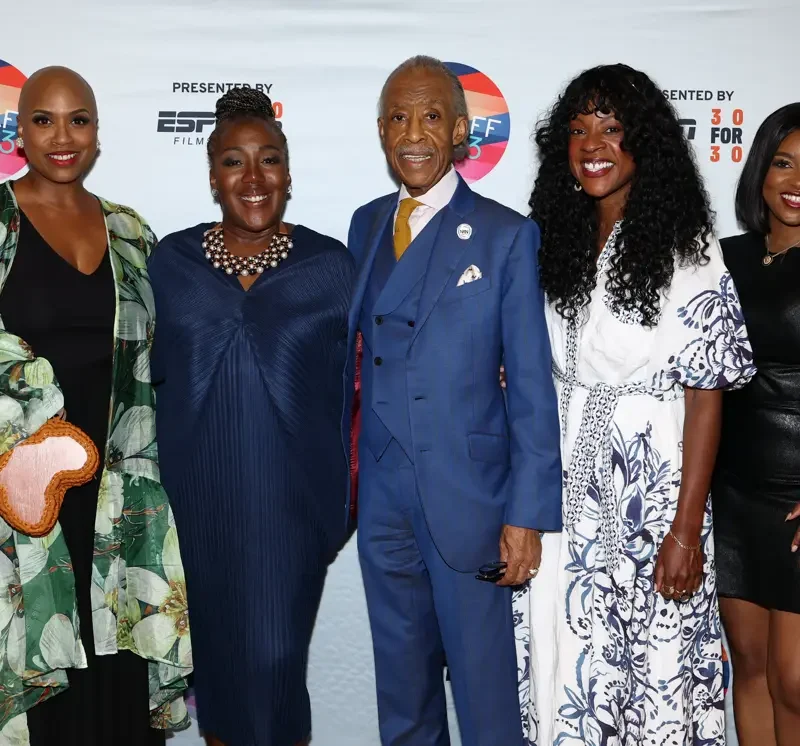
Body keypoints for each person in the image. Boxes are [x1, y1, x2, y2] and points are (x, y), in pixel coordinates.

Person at [525, 63, 756, 746]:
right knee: (567, 655)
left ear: (644, 142)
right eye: (578, 130)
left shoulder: (688, 250)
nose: (592, 144)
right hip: (562, 493)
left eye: (611, 128)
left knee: (650, 669)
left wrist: (685, 531)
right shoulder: (554, 240)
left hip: (650, 499)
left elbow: (706, 397)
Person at [345, 55, 562, 746]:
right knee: (403, 695)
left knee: (485, 698)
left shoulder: (505, 235)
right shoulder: (365, 224)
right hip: (383, 499)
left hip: (470, 499)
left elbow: (530, 384)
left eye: (432, 116)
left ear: (462, 130)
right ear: (382, 131)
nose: (414, 134)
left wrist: (527, 515)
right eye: (399, 118)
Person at [148, 87, 354, 746]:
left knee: (275, 665)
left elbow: (370, 377)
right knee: (218, 675)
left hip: (291, 511)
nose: (253, 177)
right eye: (233, 162)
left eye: (269, 159)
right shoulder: (170, 264)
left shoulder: (331, 267)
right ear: (213, 176)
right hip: (195, 507)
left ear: (289, 173)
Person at [0, 67, 191, 745]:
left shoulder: (130, 231)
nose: (62, 136)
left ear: (97, 133)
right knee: (40, 659)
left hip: (120, 496)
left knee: (116, 672)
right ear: (19, 132)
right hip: (22, 498)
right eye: (44, 119)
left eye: (77, 119)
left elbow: (168, 349)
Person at [712, 102, 800, 746]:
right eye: (784, 163)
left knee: (794, 680)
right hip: (733, 492)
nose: (796, 182)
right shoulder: (723, 258)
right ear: (761, 170)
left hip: (796, 499)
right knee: (748, 663)